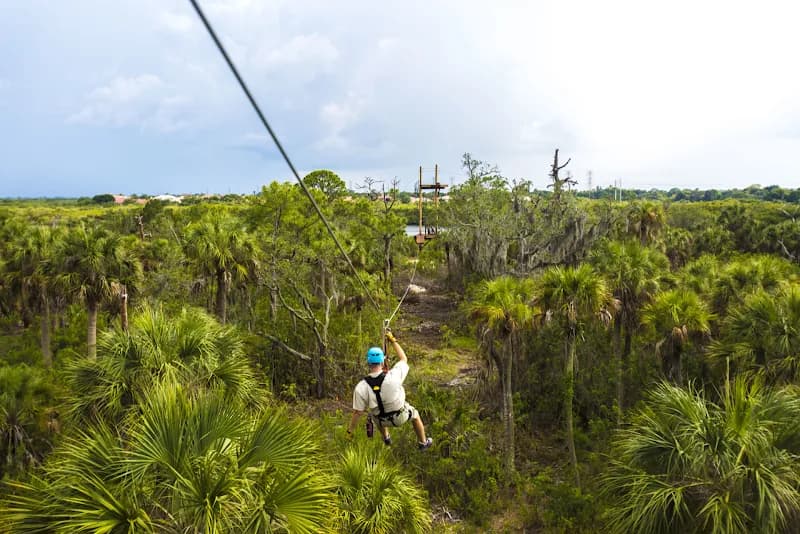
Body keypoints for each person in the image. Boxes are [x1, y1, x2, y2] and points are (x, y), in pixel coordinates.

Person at [347, 330, 433, 450]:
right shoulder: (393, 375)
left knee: (374, 412)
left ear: (368, 362)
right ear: (382, 362)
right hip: (400, 417)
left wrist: (350, 431)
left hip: (381, 421)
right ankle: (423, 443)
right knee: (415, 414)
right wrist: (393, 340)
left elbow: (358, 413)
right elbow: (404, 359)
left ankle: (386, 438)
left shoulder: (361, 386)